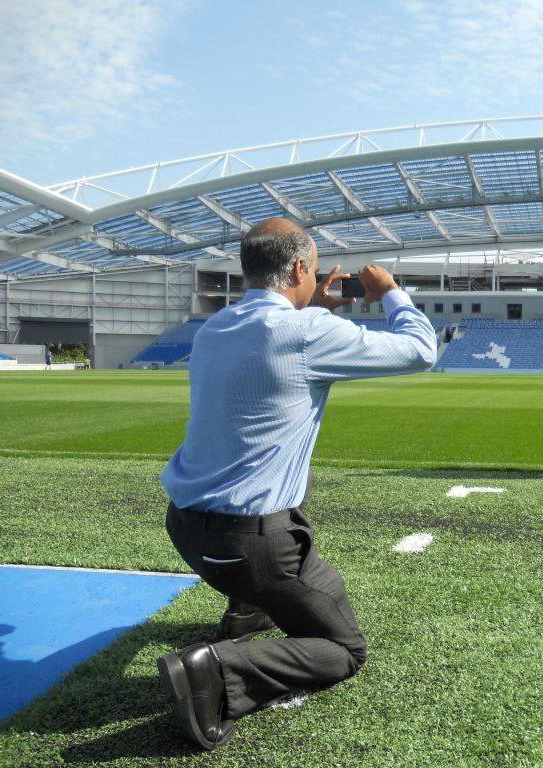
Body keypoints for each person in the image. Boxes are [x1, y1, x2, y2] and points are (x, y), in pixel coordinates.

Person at [158, 217, 437, 750]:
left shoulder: (215, 328)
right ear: (302, 268)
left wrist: (311, 310)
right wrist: (392, 293)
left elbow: (271, 350)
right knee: (343, 650)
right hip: (252, 548)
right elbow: (420, 349)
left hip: (189, 533)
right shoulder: (310, 332)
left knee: (285, 488)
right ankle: (215, 670)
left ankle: (246, 609)